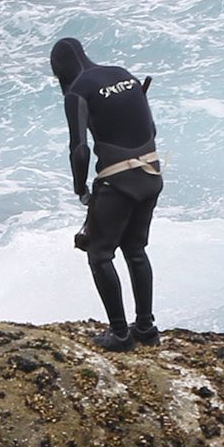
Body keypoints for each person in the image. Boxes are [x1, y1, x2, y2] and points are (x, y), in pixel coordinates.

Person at [51, 37, 164, 351]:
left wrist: (80, 188)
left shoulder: (77, 91)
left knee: (99, 255)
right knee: (135, 250)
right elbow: (151, 128)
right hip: (152, 174)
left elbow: (79, 149)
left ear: (59, 69)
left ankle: (119, 334)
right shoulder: (123, 74)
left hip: (118, 182)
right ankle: (146, 328)